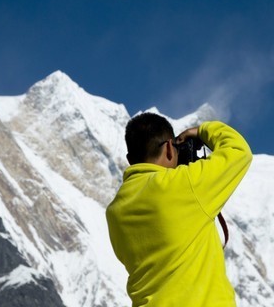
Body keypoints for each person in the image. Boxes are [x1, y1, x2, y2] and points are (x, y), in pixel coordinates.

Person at [106, 112, 252, 306]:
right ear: (168, 148)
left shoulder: (115, 211)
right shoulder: (182, 185)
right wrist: (201, 131)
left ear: (130, 159)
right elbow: (239, 150)